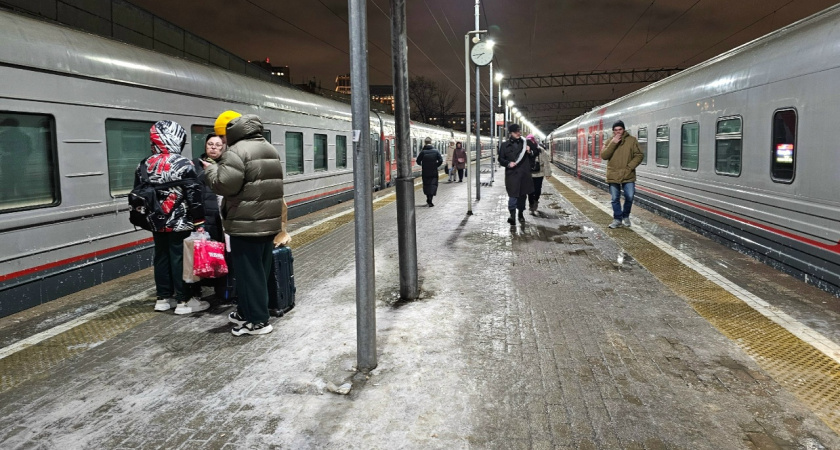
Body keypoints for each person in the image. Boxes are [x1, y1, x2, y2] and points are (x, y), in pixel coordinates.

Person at [204, 114, 285, 336]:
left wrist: (210, 169)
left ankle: (258, 321)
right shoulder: (269, 148)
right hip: (267, 223)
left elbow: (224, 185)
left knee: (249, 275)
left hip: (245, 224)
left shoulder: (236, 152)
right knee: (259, 271)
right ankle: (246, 312)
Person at [134, 120, 208, 314]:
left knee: (161, 257)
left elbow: (138, 192)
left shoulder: (144, 163)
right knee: (179, 258)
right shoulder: (183, 163)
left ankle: (162, 298)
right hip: (180, 221)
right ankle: (183, 301)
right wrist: (199, 221)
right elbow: (194, 196)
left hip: (156, 221)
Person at [185, 133, 229, 303]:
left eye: (218, 145)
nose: (214, 147)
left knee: (220, 255)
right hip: (201, 219)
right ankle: (196, 291)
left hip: (220, 219)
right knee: (199, 256)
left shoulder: (226, 165)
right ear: (205, 146)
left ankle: (222, 290)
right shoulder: (194, 165)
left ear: (223, 147)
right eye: (210, 144)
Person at [601, 120, 644, 229]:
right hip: (613, 174)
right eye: (615, 130)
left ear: (623, 130)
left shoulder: (632, 140)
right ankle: (617, 219)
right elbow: (604, 156)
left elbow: (639, 155)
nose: (618, 132)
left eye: (620, 129)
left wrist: (629, 167)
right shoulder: (609, 141)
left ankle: (626, 216)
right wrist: (613, 143)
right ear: (613, 131)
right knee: (615, 198)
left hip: (628, 174)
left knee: (629, 197)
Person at [498, 123, 534, 225]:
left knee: (522, 196)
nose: (519, 133)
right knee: (513, 196)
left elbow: (534, 156)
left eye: (519, 131)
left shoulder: (525, 143)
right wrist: (508, 164)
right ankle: (512, 215)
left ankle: (520, 214)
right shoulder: (505, 145)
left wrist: (529, 152)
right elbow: (500, 159)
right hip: (512, 175)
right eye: (516, 132)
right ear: (511, 133)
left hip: (524, 175)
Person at [527, 134, 552, 214]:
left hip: (539, 174)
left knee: (537, 190)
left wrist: (548, 173)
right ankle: (531, 205)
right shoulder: (524, 151)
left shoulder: (541, 150)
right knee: (530, 192)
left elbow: (546, 162)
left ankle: (535, 201)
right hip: (529, 175)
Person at [416, 137, 443, 207]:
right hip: (433, 171)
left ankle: (428, 198)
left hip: (425, 171)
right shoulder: (436, 151)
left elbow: (418, 161)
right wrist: (436, 165)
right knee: (433, 185)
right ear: (431, 143)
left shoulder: (423, 152)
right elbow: (440, 160)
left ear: (425, 143)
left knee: (426, 185)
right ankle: (430, 199)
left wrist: (423, 165)